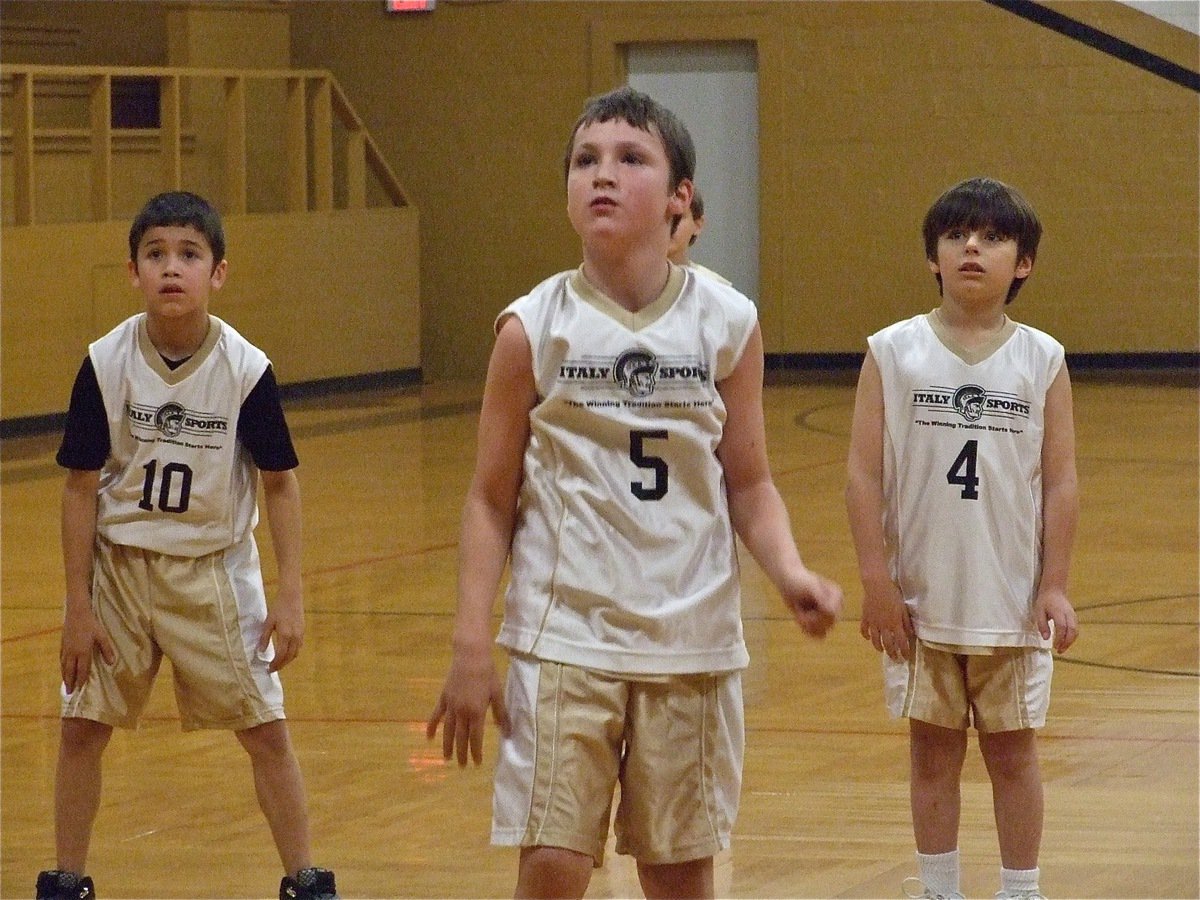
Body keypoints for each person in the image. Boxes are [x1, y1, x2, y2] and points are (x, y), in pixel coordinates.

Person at [425, 85, 843, 900]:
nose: (602, 176)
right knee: (551, 864)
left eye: (630, 158)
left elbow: (749, 481)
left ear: (681, 198)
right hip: (562, 633)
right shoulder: (531, 327)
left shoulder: (727, 321)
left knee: (680, 873)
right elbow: (488, 498)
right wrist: (472, 641)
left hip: (690, 640)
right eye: (586, 161)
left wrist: (790, 572)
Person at [39, 191, 337, 900]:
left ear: (218, 273)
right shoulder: (105, 361)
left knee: (265, 729)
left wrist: (289, 592)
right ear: (134, 272)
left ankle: (306, 880)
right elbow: (80, 488)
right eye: (156, 254)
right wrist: (76, 606)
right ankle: (65, 881)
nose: (172, 268)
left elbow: (281, 484)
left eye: (189, 254)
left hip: (212, 571)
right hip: (121, 569)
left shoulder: (244, 368)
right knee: (82, 725)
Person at [845, 177, 1080, 900]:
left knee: (1014, 754)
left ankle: (1020, 890)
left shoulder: (1042, 359)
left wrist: (1054, 583)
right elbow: (861, 475)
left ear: (1025, 263)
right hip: (921, 600)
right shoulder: (893, 352)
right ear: (933, 259)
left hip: (1009, 601)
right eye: (955, 236)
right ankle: (940, 889)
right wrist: (876, 583)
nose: (971, 247)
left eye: (992, 237)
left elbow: (1062, 481)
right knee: (931, 754)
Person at [666, 187, 731, 285]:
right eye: (662, 216)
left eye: (677, 217)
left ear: (697, 225)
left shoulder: (716, 288)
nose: (669, 226)